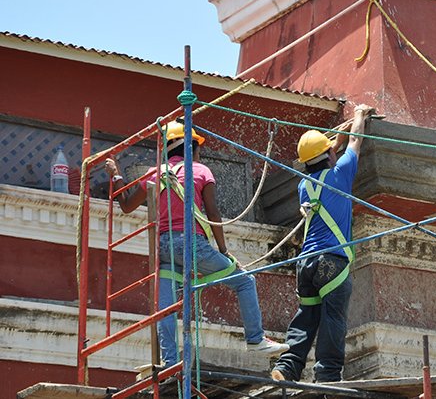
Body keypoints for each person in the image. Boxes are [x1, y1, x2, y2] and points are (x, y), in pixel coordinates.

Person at [104, 121, 288, 368]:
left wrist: (115, 173)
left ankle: (170, 361)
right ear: (190, 147)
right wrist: (224, 251)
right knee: (245, 282)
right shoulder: (200, 171)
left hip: (164, 246)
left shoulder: (155, 173)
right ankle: (255, 340)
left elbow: (126, 205)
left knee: (166, 307)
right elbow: (213, 213)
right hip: (191, 244)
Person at [272, 104, 375, 382]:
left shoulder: (303, 184)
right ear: (330, 155)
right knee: (333, 318)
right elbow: (355, 141)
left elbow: (326, 154)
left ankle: (287, 366)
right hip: (332, 262)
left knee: (307, 315)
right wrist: (360, 116)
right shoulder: (340, 175)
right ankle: (327, 374)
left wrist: (334, 139)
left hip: (306, 263)